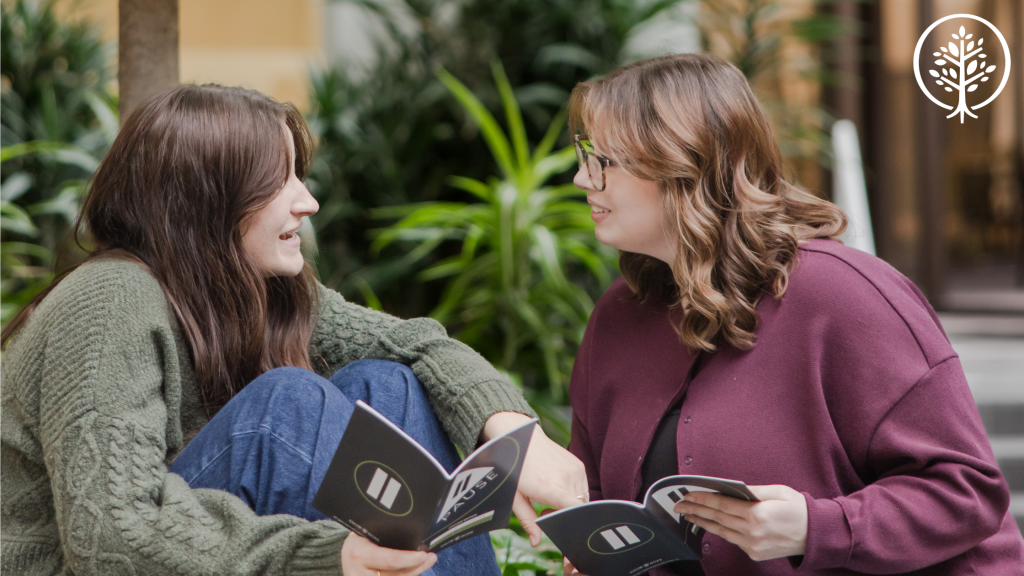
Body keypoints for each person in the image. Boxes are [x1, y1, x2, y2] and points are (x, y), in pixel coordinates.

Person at [0, 83, 587, 576]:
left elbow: (418, 343)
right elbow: (113, 537)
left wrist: (514, 436)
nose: (307, 201)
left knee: (388, 385)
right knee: (289, 404)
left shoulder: (260, 291)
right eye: (279, 180)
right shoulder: (109, 300)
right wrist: (328, 556)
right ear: (206, 201)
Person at [561, 54, 1024, 576]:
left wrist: (815, 527)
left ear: (682, 161)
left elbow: (968, 494)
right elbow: (599, 500)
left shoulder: (846, 296)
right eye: (583, 155)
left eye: (602, 159)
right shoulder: (618, 316)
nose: (582, 178)